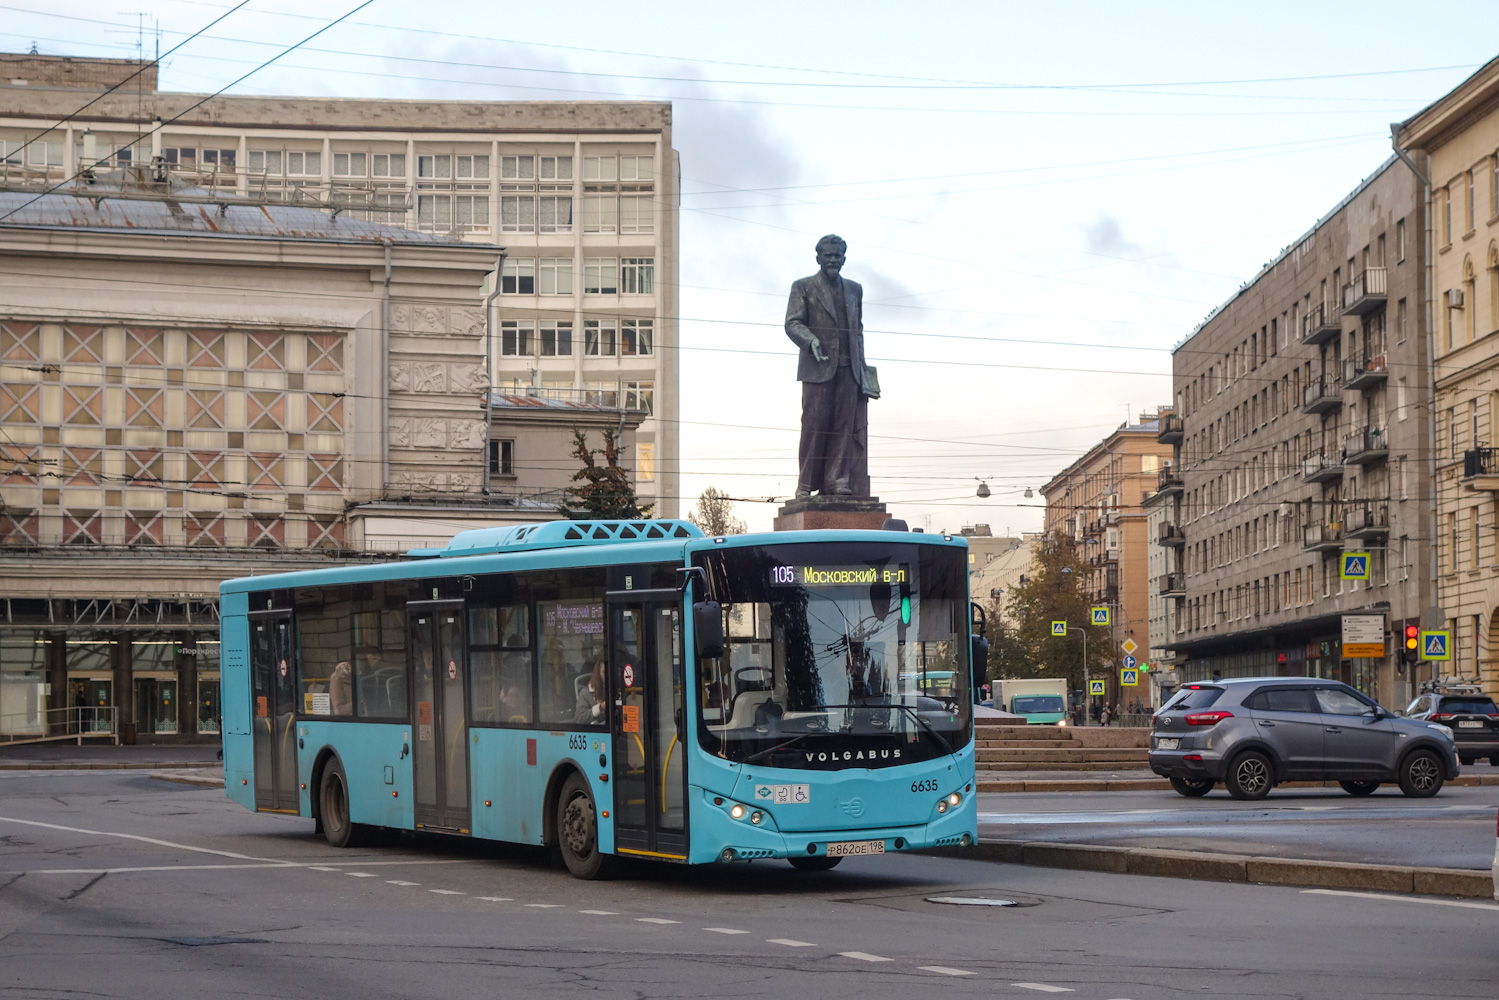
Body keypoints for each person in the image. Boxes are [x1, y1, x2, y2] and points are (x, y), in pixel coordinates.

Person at [784, 234, 880, 498]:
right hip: (818, 368)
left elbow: (857, 331)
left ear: (844, 259)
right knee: (814, 426)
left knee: (843, 427)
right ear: (818, 258)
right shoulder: (803, 287)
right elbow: (792, 323)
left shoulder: (854, 289)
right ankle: (805, 484)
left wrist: (863, 371)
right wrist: (811, 340)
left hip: (849, 370)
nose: (833, 260)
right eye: (828, 255)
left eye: (837, 256)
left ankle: (837, 480)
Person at [575, 658, 607, 725]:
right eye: (604, 672)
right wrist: (600, 708)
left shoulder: (617, 690)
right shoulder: (586, 693)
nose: (608, 675)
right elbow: (579, 718)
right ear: (598, 673)